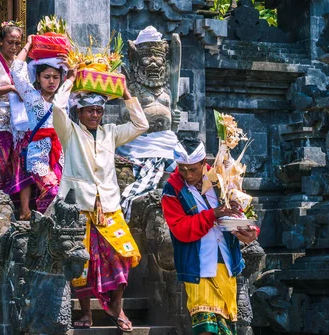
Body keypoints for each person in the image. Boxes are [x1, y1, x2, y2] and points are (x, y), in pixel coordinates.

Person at [51, 72, 149, 331]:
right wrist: (70, 81)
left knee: (123, 253)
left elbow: (141, 125)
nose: (94, 115)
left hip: (108, 207)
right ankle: (86, 314)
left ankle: (117, 307)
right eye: (89, 110)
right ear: (79, 113)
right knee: (81, 263)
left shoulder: (111, 133)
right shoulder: (70, 132)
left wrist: (126, 93)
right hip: (78, 207)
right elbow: (58, 109)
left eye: (98, 110)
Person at [160, 138, 259, 335]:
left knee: (224, 328)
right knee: (206, 326)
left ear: (203, 163)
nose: (188, 175)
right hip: (197, 266)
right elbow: (180, 229)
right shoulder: (172, 189)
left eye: (193, 170)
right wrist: (212, 214)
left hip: (226, 262)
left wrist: (250, 233)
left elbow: (244, 212)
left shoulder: (223, 178)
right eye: (182, 169)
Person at [0, 21, 32, 219]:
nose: (14, 47)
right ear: (1, 42)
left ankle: (20, 209)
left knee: (18, 164)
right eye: (10, 42)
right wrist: (10, 88)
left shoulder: (22, 66)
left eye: (18, 44)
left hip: (18, 122)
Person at [10, 35, 69, 213]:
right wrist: (28, 45)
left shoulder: (63, 98)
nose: (51, 81)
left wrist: (71, 65)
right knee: (52, 190)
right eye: (47, 77)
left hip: (60, 157)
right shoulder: (31, 96)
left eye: (56, 77)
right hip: (37, 156)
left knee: (65, 195)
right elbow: (16, 71)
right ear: (37, 77)